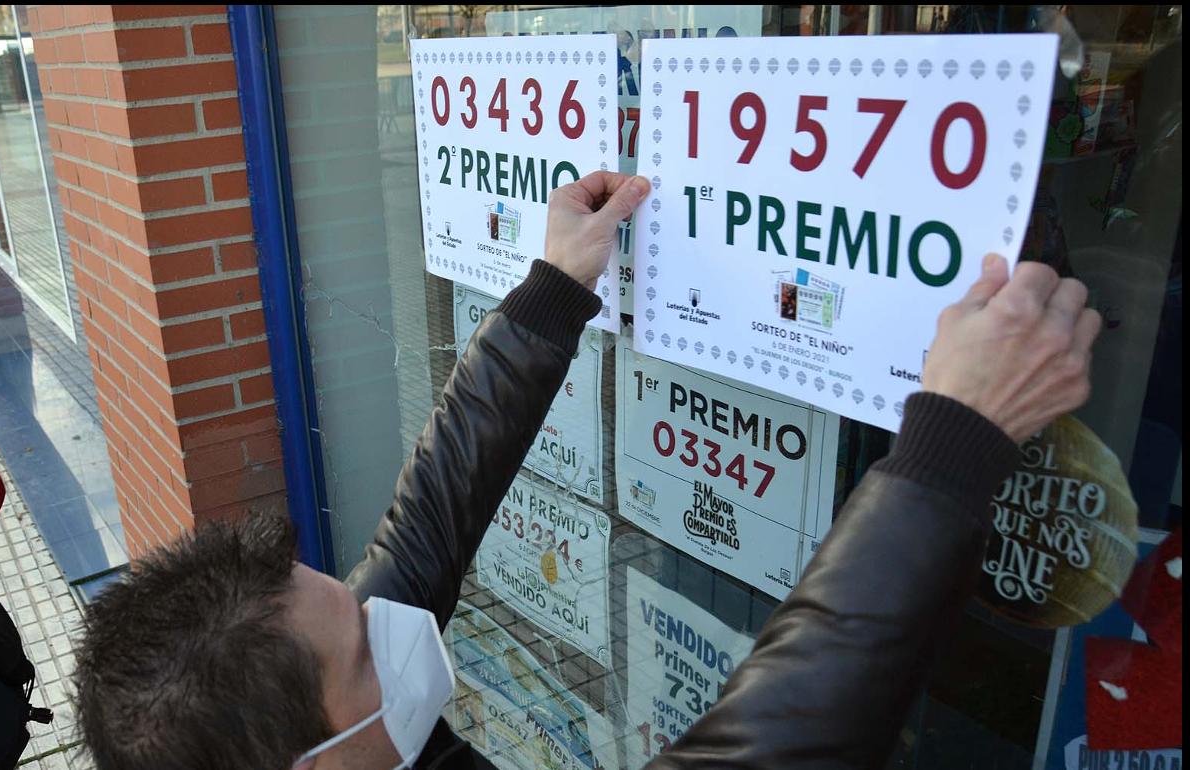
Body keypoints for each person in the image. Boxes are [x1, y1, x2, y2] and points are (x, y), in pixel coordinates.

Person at [72, 171, 1100, 770]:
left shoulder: (331, 716)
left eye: (345, 597)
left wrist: (552, 291)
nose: (388, 617)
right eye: (365, 653)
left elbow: (423, 530)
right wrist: (950, 445)